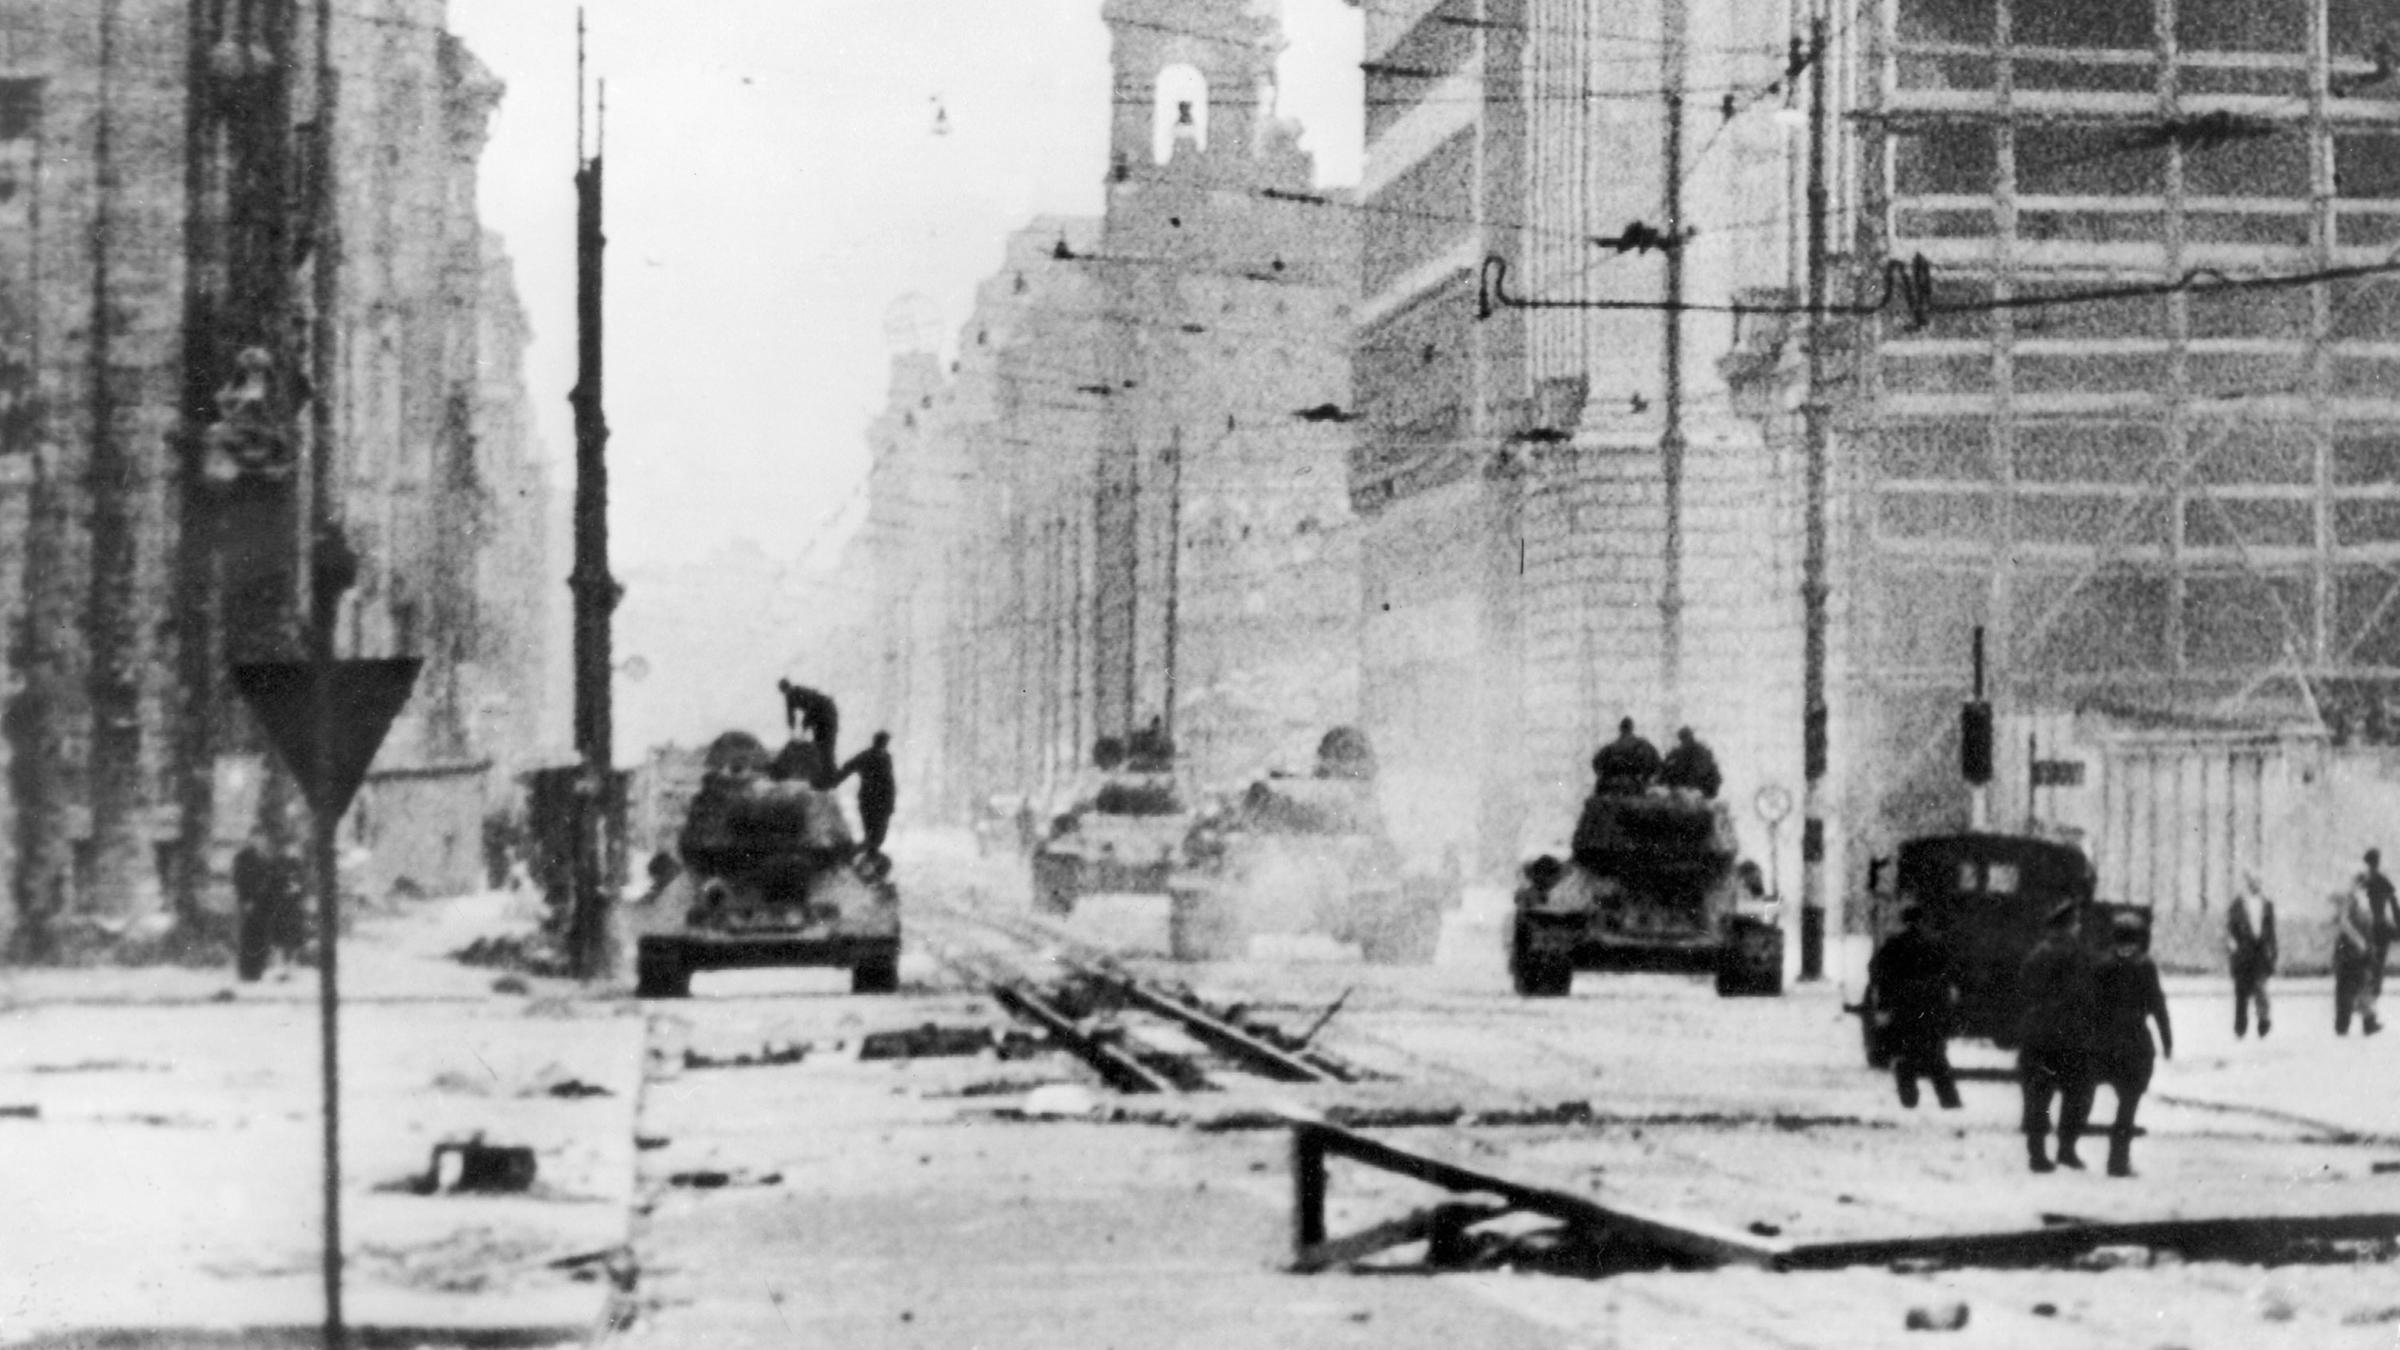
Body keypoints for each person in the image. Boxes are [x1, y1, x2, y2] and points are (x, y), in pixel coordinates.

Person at [2064, 911, 2172, 1177]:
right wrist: (2167, 1040)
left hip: (2102, 1041)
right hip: (2135, 1044)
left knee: (2084, 1096)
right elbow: (2158, 1006)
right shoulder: (2145, 966)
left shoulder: (2101, 965)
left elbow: (2087, 1005)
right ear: (2140, 938)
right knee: (2128, 1105)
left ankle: (2067, 1147)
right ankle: (2117, 1162)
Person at [2016, 901, 2096, 1173]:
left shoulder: (2037, 954)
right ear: (2070, 926)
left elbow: (2023, 988)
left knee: (2038, 1095)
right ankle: (2066, 1150)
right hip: (2070, 1035)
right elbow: (2086, 994)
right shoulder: (2077, 955)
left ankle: (2037, 1154)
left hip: (2038, 1033)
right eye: (2076, 923)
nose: (2078, 927)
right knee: (2078, 1093)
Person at [1867, 904, 1962, 1109]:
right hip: (1930, 1006)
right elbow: (1949, 975)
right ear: (1922, 921)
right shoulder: (1935, 944)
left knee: (1905, 1055)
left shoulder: (1894, 944)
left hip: (1904, 1006)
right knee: (1936, 1055)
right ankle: (1949, 1099)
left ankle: (1909, 1098)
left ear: (1904, 922)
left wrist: (1884, 1004)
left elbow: (1879, 973)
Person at [2225, 870, 2276, 1039]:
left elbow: (2271, 931)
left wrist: (2273, 951)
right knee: (2241, 991)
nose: (2255, 885)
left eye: (2258, 881)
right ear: (2247, 884)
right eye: (2252, 881)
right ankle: (2241, 1026)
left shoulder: (2267, 904)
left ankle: (2263, 1022)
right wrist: (2233, 948)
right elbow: (2230, 929)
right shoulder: (2237, 905)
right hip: (2243, 952)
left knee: (2261, 987)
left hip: (2260, 951)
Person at [2334, 879, 2384, 1037]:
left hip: (2360, 956)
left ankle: (2366, 1022)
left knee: (2362, 987)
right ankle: (2345, 1024)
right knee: (2348, 990)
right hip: (2350, 955)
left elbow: (2369, 929)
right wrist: (2360, 942)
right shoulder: (2351, 906)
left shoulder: (2364, 908)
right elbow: (2344, 925)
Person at [836, 731, 898, 858]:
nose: (885, 744)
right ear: (877, 741)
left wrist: (891, 803)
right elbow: (848, 767)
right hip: (870, 802)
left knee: (876, 838)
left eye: (885, 742)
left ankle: (866, 863)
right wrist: (835, 781)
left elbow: (890, 783)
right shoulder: (869, 756)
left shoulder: (885, 757)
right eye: (883, 741)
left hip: (880, 803)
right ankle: (848, 855)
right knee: (874, 838)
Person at [2361, 849, 2396, 1015]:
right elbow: (2394, 904)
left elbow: (2394, 904)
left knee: (2373, 965)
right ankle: (2369, 1003)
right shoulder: (2381, 881)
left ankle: (2369, 1002)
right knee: (2376, 965)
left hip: (2371, 927)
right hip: (2377, 927)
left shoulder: (2366, 881)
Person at [1591, 718, 1662, 795]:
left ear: (1620, 728)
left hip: (1611, 786)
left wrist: (1606, 776)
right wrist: (1645, 779)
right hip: (1633, 786)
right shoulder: (1642, 745)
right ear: (1632, 728)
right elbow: (1656, 763)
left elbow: (1596, 763)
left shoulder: (1609, 747)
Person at [1657, 727, 1723, 798]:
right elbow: (1668, 761)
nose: (1683, 742)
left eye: (1684, 738)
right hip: (1692, 785)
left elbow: (1699, 770)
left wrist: (1689, 787)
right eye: (1682, 739)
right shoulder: (1681, 751)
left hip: (1702, 787)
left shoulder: (1699, 751)